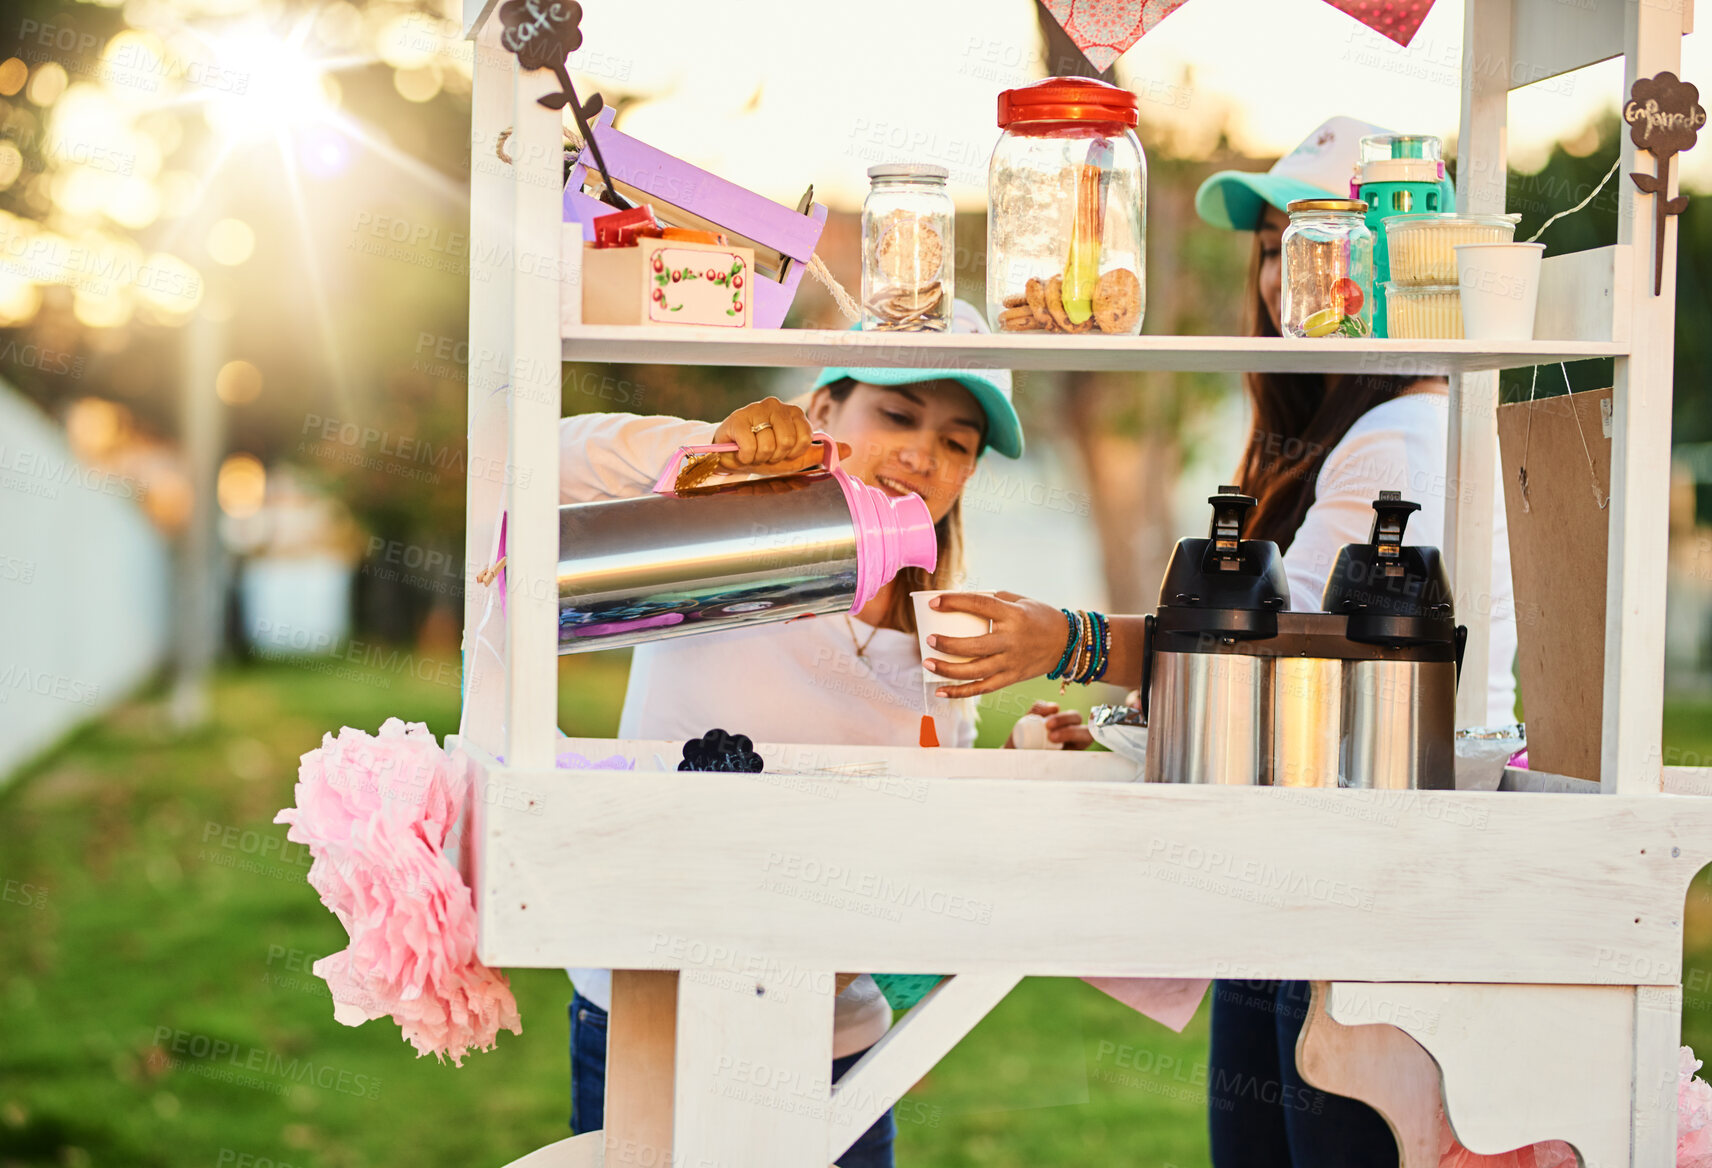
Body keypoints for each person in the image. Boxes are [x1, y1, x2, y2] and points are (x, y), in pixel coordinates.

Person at [921, 118, 1519, 1168]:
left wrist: (1062, 640)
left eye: (1323, 242)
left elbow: (1301, 656)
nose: (1291, 276)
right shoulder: (1341, 432)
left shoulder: (1403, 437)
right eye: (1276, 249)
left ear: (1395, 263)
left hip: (1370, 886)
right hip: (1299, 872)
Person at [556, 302, 1091, 1168]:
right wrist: (702, 447)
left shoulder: (944, 634)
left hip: (833, 1039)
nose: (923, 454)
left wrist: (1013, 766)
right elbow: (541, 461)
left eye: (958, 443)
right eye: (898, 414)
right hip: (658, 1005)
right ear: (822, 413)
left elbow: (917, 844)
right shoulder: (724, 532)